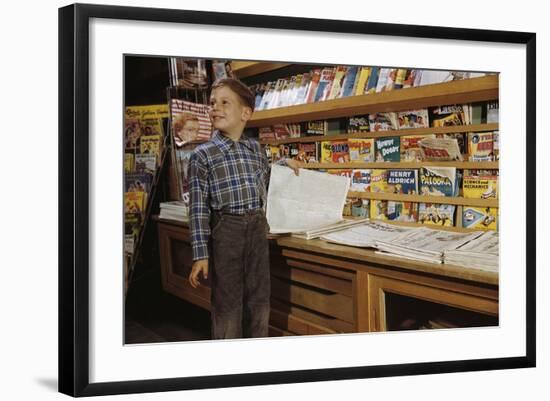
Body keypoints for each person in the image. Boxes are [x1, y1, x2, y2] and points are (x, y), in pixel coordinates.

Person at [188, 78, 300, 339]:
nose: (215, 108)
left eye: (225, 102)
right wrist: (200, 254)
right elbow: (197, 210)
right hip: (227, 230)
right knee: (228, 303)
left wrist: (285, 165)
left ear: (245, 113)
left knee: (259, 298)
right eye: (213, 103)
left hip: (257, 229)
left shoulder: (255, 149)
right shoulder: (203, 155)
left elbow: (266, 178)